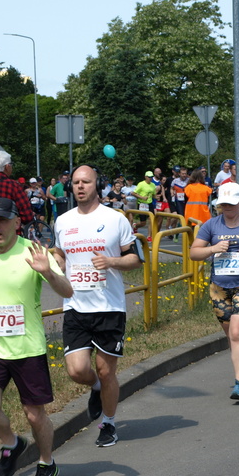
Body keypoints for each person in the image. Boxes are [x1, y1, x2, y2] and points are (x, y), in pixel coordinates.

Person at [0, 197, 73, 476]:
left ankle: (47, 462)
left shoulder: (35, 252)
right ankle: (12, 443)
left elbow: (68, 290)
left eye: (2, 220)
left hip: (28, 348)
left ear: (16, 223)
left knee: (34, 414)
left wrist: (47, 272)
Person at [52, 165, 143, 447]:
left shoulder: (115, 219)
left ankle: (109, 423)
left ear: (97, 185)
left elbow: (135, 259)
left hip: (109, 306)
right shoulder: (63, 221)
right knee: (77, 370)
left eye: (86, 182)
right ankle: (95, 388)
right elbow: (59, 253)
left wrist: (111, 261)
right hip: (76, 305)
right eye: (76, 182)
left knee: (107, 370)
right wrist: (56, 264)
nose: (80, 186)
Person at [190, 183, 239, 401]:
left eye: (232, 203)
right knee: (231, 337)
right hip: (219, 288)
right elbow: (194, 253)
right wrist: (213, 249)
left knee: (236, 333)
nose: (228, 207)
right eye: (224, 204)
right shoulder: (211, 226)